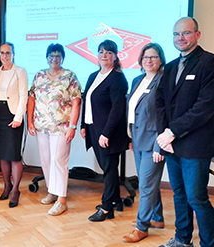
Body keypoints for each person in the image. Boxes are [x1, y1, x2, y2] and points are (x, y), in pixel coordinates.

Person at [156, 17, 214, 247]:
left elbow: (205, 106)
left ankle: (209, 243)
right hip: (172, 145)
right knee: (178, 195)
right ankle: (182, 239)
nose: (180, 38)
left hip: (195, 144)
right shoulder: (169, 67)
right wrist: (164, 135)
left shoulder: (209, 63)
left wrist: (172, 132)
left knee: (197, 198)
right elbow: (160, 103)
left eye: (186, 33)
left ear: (197, 35)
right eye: (176, 34)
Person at [27, 43, 81, 216]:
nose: (54, 59)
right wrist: (29, 121)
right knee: (46, 160)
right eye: (51, 55)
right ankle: (52, 191)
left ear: (62, 57)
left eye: (58, 56)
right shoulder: (39, 75)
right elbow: (31, 99)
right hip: (41, 125)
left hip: (62, 127)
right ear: (47, 57)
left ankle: (62, 200)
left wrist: (73, 126)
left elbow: (76, 102)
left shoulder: (69, 76)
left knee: (59, 161)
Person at [122, 43, 166, 243]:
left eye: (154, 57)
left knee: (146, 186)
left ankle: (142, 227)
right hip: (138, 141)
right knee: (149, 183)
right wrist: (130, 137)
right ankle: (157, 218)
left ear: (161, 60)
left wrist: (159, 145)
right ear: (140, 60)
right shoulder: (137, 80)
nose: (149, 60)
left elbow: (166, 116)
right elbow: (133, 111)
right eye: (146, 57)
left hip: (153, 142)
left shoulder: (163, 82)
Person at [80, 39, 128, 222]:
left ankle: (107, 208)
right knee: (108, 168)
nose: (104, 55)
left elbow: (117, 109)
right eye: (101, 52)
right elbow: (87, 101)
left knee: (108, 169)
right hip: (93, 128)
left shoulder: (118, 78)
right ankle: (114, 199)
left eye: (109, 52)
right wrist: (84, 125)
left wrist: (106, 133)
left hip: (108, 132)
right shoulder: (93, 75)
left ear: (115, 56)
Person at [0, 42, 28, 208]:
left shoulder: (20, 71)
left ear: (13, 54)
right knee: (2, 154)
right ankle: (7, 185)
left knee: (14, 154)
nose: (4, 56)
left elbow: (23, 96)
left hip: (13, 115)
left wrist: (18, 117)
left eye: (8, 53)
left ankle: (15, 190)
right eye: (2, 53)